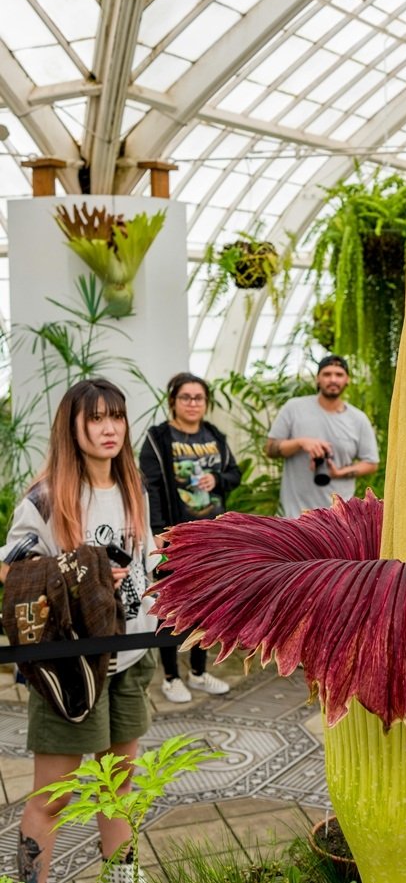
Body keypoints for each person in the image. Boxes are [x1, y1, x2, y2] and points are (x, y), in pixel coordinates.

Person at [0, 378, 159, 883]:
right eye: (94, 418)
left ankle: (122, 880)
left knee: (118, 788)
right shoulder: (48, 496)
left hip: (132, 653)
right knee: (56, 796)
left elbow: (148, 559)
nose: (108, 428)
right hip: (73, 664)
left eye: (115, 416)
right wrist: (79, 570)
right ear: (72, 427)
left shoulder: (134, 486)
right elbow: (10, 569)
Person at [139, 372, 241, 703]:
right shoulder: (158, 438)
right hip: (175, 537)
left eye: (199, 398)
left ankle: (198, 672)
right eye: (186, 397)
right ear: (173, 401)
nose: (193, 403)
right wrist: (157, 530)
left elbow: (233, 474)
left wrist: (217, 479)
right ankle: (171, 677)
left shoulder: (215, 435)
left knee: (208, 607)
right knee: (171, 607)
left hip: (212, 537)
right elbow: (150, 487)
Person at [265, 354, 379, 517]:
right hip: (296, 516)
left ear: (347, 380)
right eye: (327, 374)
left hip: (339, 518)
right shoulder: (294, 408)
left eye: (339, 374)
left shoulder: (358, 419)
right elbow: (270, 448)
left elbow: (371, 463)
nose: (333, 379)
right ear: (318, 379)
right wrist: (301, 443)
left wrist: (339, 473)